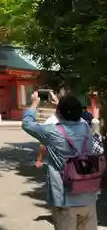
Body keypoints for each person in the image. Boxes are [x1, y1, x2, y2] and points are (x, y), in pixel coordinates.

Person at [23, 91, 102, 230]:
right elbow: (75, 114)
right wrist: (59, 106)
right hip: (88, 197)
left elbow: (27, 124)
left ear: (59, 113)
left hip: (65, 200)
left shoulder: (52, 131)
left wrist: (34, 103)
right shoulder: (85, 128)